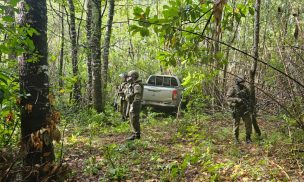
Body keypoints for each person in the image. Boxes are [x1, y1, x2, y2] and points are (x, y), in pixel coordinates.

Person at [227, 75, 252, 144]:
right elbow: (228, 98)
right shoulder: (233, 89)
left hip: (245, 109)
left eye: (243, 82)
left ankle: (248, 138)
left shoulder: (246, 89)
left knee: (248, 123)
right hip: (236, 109)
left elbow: (249, 97)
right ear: (237, 81)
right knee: (236, 124)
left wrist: (248, 103)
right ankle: (236, 139)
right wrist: (236, 99)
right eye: (241, 82)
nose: (242, 83)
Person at [125, 70, 143, 140]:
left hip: (135, 104)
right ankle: (135, 133)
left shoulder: (137, 85)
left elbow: (137, 97)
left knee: (134, 119)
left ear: (134, 77)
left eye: (129, 76)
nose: (128, 78)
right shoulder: (132, 85)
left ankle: (136, 134)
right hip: (132, 104)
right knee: (132, 119)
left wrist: (133, 105)